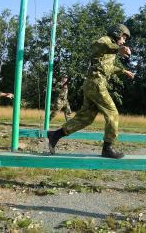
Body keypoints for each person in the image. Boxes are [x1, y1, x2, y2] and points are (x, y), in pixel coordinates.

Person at [47, 24, 134, 159]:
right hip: (96, 83)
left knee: (85, 118)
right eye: (123, 38)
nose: (124, 41)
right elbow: (95, 45)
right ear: (117, 34)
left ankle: (55, 135)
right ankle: (107, 148)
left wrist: (123, 71)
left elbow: (107, 68)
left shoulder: (110, 51)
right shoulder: (106, 40)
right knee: (113, 114)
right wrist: (118, 49)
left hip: (93, 83)